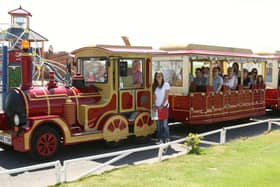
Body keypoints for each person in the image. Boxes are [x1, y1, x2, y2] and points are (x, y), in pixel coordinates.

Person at [152, 71, 170, 144]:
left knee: (165, 125)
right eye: (157, 76)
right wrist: (154, 105)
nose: (158, 78)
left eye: (160, 76)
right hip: (156, 107)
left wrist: (162, 105)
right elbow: (154, 97)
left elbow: (166, 96)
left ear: (162, 77)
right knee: (158, 125)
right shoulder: (154, 85)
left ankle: (167, 138)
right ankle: (160, 139)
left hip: (164, 107)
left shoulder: (166, 84)